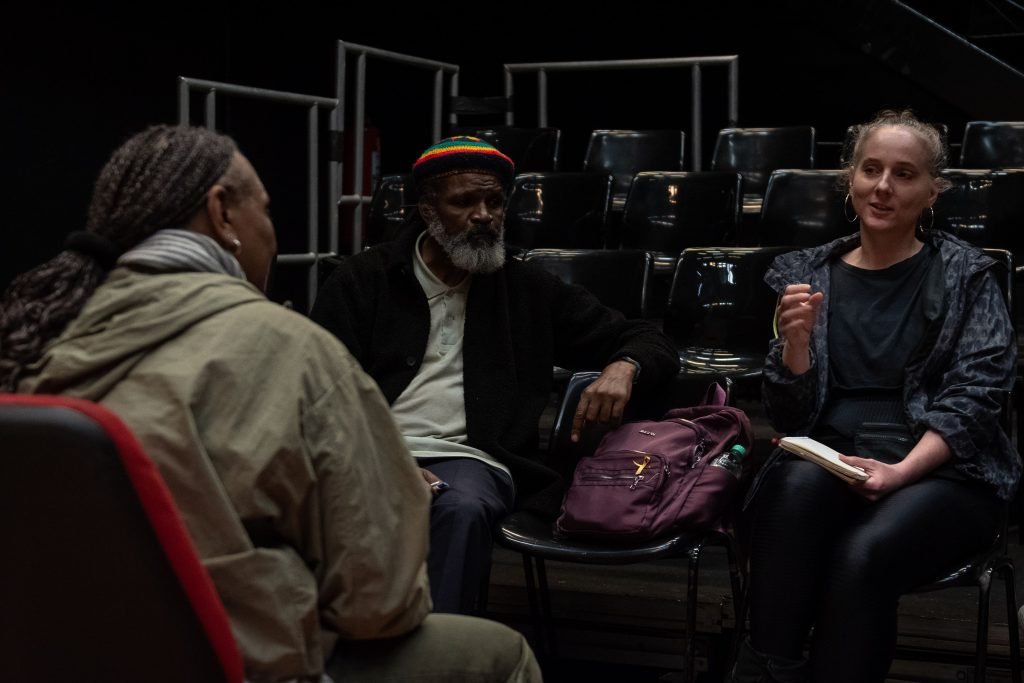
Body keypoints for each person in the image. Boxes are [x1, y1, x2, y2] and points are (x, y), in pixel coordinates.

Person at [0, 125, 541, 683]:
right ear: (222, 215)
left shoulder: (36, 335)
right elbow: (377, 606)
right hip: (232, 662)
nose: (273, 234)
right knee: (499, 654)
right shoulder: (292, 349)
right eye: (266, 210)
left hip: (62, 656)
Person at [311, 136, 680, 614]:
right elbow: (320, 388)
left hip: (471, 459)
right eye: (464, 201)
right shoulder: (364, 279)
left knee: (461, 508)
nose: (484, 214)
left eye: (494, 201)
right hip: (371, 447)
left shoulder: (526, 289)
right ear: (426, 209)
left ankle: (442, 658)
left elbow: (650, 340)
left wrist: (624, 365)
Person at [732, 110, 1021, 683]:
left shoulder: (968, 273)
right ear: (851, 179)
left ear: (932, 190)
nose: (884, 186)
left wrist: (903, 472)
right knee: (791, 490)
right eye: (871, 169)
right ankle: (771, 668)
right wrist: (794, 351)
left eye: (905, 174)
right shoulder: (807, 273)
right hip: (834, 457)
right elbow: (789, 417)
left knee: (860, 557)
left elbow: (978, 397)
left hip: (945, 470)